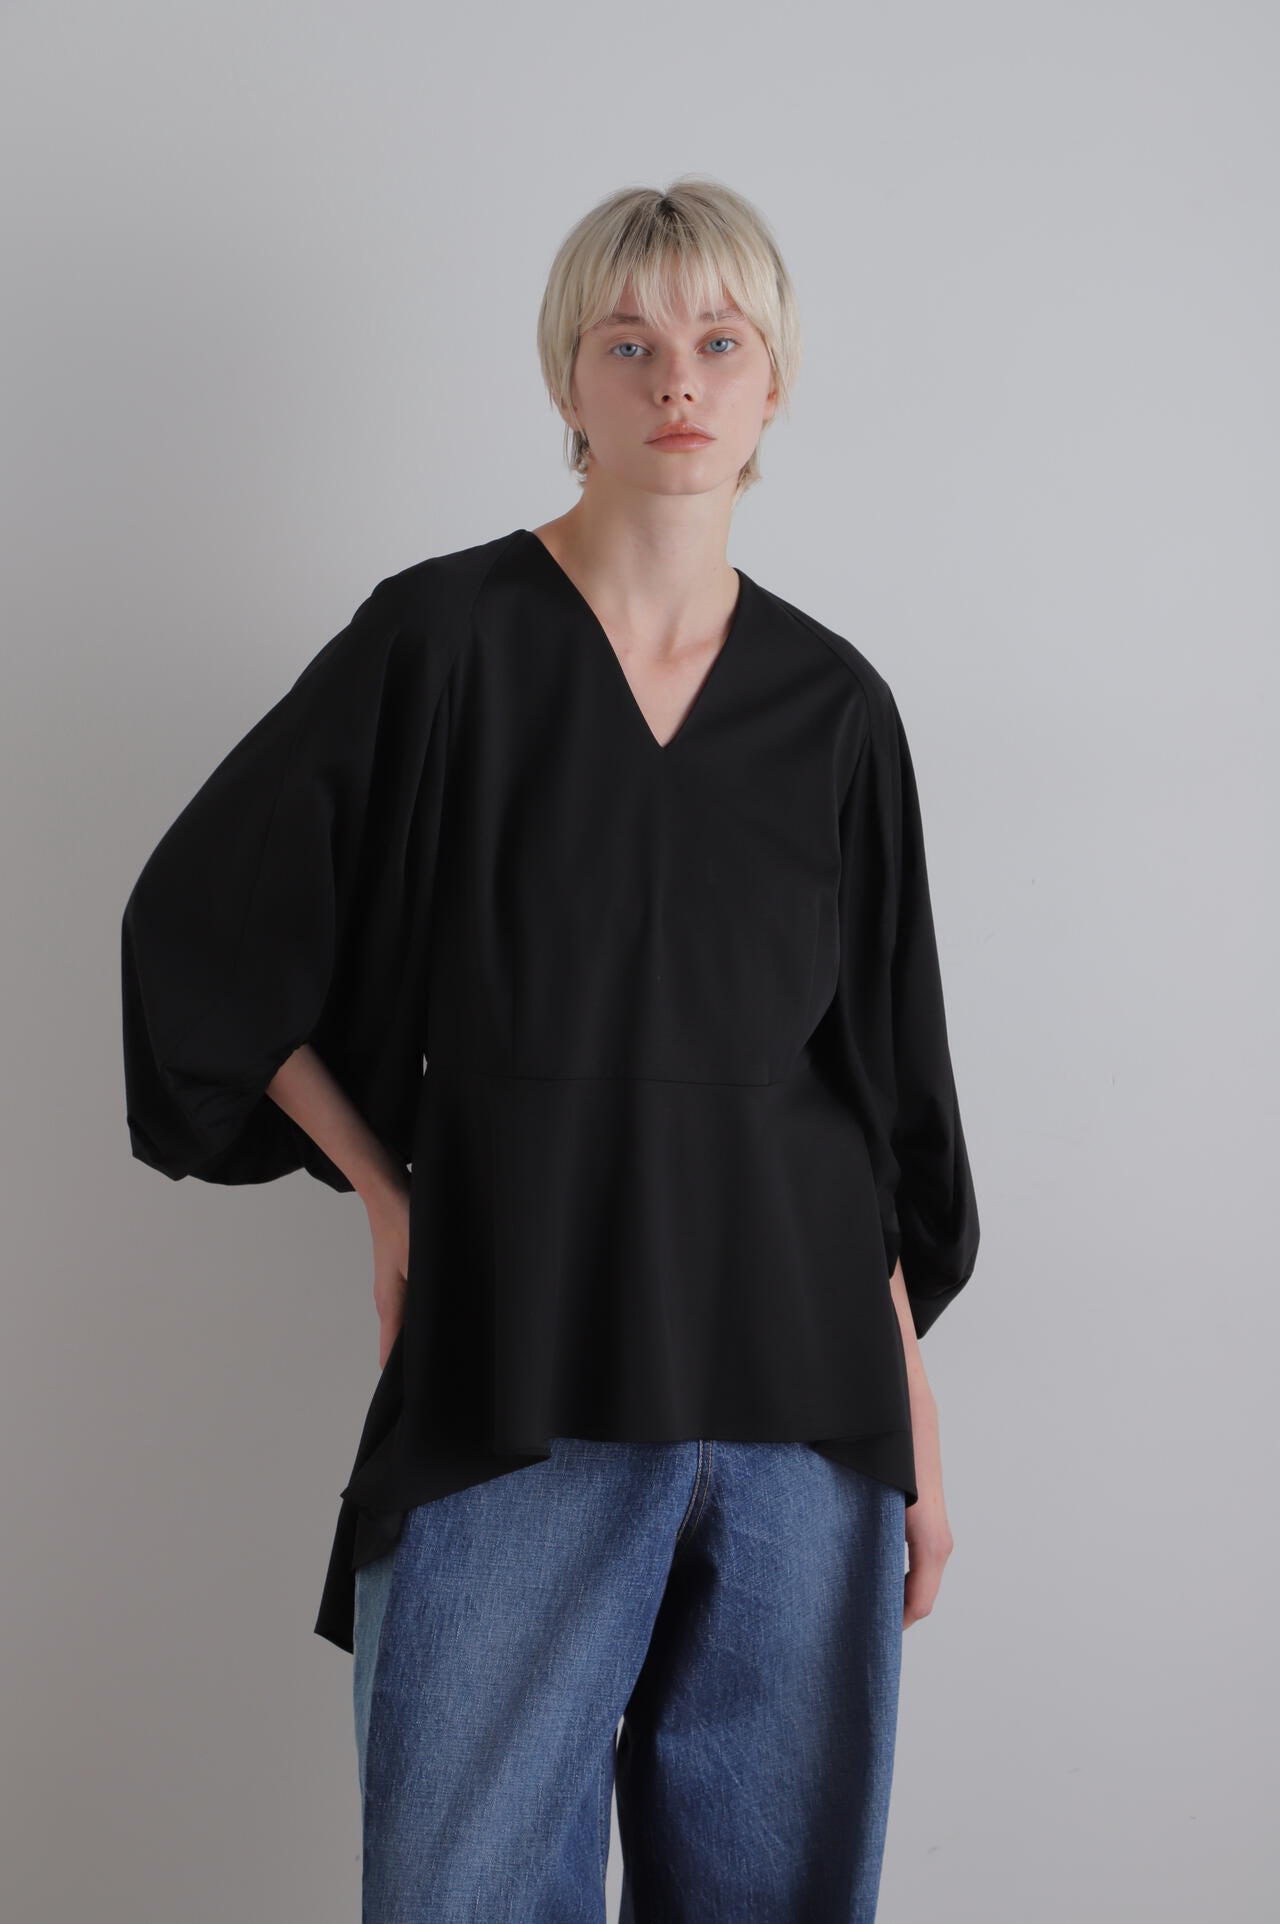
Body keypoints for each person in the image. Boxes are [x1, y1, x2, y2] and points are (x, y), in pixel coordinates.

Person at [120, 175, 980, 1923]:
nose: (679, 380)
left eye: (719, 342)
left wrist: (917, 1441)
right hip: (514, 1389)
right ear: (566, 379)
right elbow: (200, 936)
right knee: (462, 1891)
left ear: (774, 382)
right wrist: (386, 1190)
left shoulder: (835, 708)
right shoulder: (444, 642)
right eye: (630, 343)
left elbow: (878, 1107)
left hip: (804, 1415)